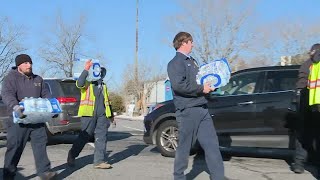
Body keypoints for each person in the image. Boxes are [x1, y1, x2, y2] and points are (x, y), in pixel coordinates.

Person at [167, 32, 224, 180]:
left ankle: (218, 177)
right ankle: (178, 177)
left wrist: (211, 86)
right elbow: (179, 86)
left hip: (202, 109)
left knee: (212, 146)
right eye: (191, 42)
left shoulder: (193, 61)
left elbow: (199, 81)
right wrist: (201, 89)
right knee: (185, 148)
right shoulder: (175, 63)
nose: (193, 44)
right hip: (187, 111)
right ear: (184, 42)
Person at [1, 54, 57, 179]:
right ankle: (8, 175)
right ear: (18, 65)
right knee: (15, 147)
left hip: (36, 119)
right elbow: (7, 94)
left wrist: (51, 107)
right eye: (25, 63)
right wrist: (15, 107)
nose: (29, 65)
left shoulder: (38, 79)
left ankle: (45, 171)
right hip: (18, 119)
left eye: (30, 63)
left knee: (40, 144)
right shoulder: (10, 78)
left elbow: (45, 94)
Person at [67, 60, 114, 169]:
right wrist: (86, 69)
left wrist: (111, 116)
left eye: (102, 72)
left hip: (102, 116)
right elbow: (79, 83)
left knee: (101, 137)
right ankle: (72, 154)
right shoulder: (87, 83)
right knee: (84, 136)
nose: (100, 73)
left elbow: (107, 101)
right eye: (99, 71)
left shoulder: (103, 85)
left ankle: (99, 161)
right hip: (89, 114)